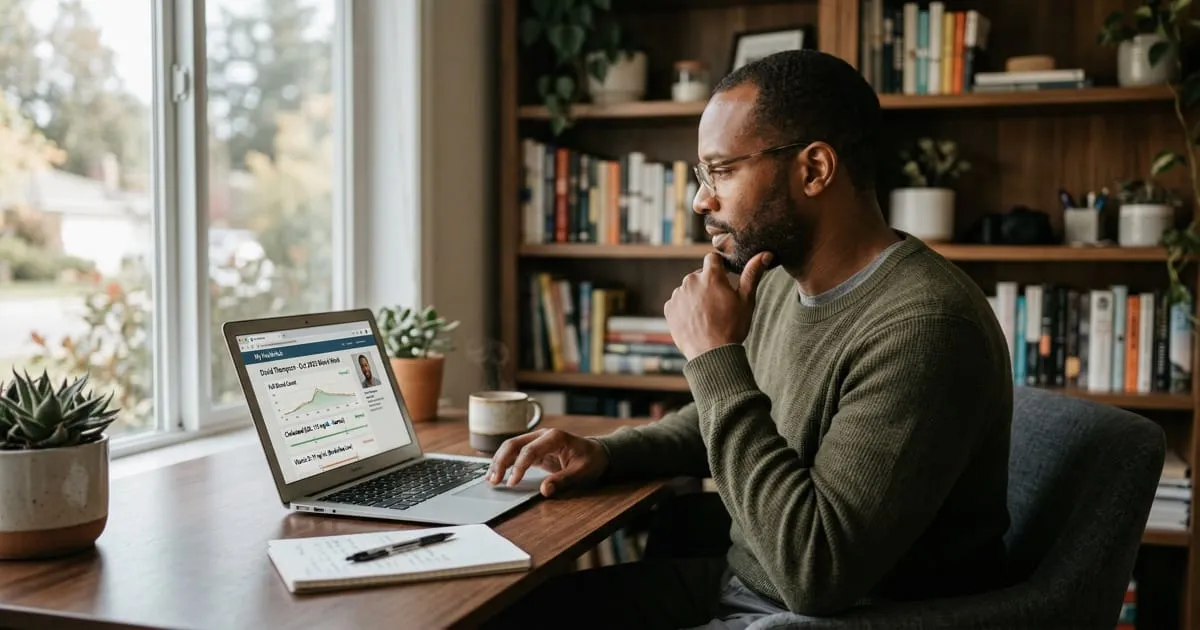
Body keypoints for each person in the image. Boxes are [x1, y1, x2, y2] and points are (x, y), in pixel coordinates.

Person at [484, 49, 1013, 629]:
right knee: (505, 613)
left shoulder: (924, 329)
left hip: (823, 617)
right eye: (701, 175)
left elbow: (815, 571)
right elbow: (737, 415)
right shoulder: (786, 280)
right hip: (744, 588)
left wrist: (714, 357)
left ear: (813, 170)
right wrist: (609, 452)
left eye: (722, 171)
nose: (700, 201)